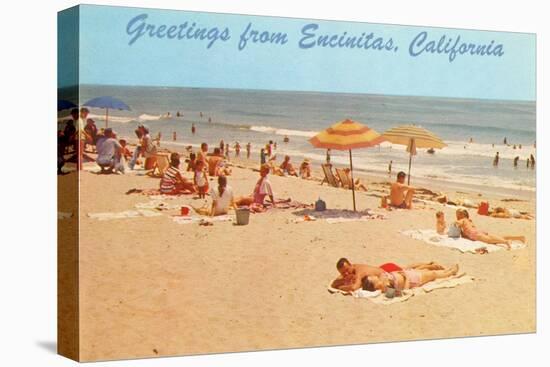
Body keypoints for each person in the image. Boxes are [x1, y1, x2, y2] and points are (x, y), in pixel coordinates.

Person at [331, 258, 446, 292]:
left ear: (351, 264)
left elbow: (353, 287)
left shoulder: (360, 272)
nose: (346, 274)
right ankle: (428, 264)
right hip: (383, 269)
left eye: (347, 270)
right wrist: (341, 279)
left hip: (386, 271)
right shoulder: (351, 270)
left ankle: (430, 265)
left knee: (408, 270)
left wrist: (341, 287)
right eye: (343, 273)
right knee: (407, 268)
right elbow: (334, 282)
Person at [455, 209, 524, 249]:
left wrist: (455, 224)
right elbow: (465, 234)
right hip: (477, 232)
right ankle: (519, 238)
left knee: (488, 240)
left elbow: (458, 223)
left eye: (457, 215)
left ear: (462, 215)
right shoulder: (469, 220)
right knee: (496, 237)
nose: (456, 216)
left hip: (474, 234)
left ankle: (506, 242)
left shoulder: (463, 220)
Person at [362, 264, 459, 292]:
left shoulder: (381, 277)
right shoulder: (385, 287)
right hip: (413, 280)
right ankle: (451, 272)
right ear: (373, 285)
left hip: (408, 274)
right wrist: (406, 278)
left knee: (426, 271)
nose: (372, 276)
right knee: (432, 274)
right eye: (370, 278)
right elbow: (405, 291)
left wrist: (402, 273)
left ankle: (448, 270)